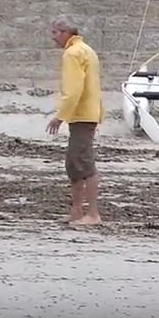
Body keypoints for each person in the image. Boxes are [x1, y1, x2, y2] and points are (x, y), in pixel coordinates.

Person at [46, 16, 104, 226]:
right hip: (87, 113)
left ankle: (93, 214)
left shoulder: (73, 53)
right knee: (73, 164)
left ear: (65, 32)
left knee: (83, 163)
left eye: (55, 32)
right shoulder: (87, 50)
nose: (53, 38)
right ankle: (77, 211)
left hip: (82, 115)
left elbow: (74, 90)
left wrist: (59, 117)